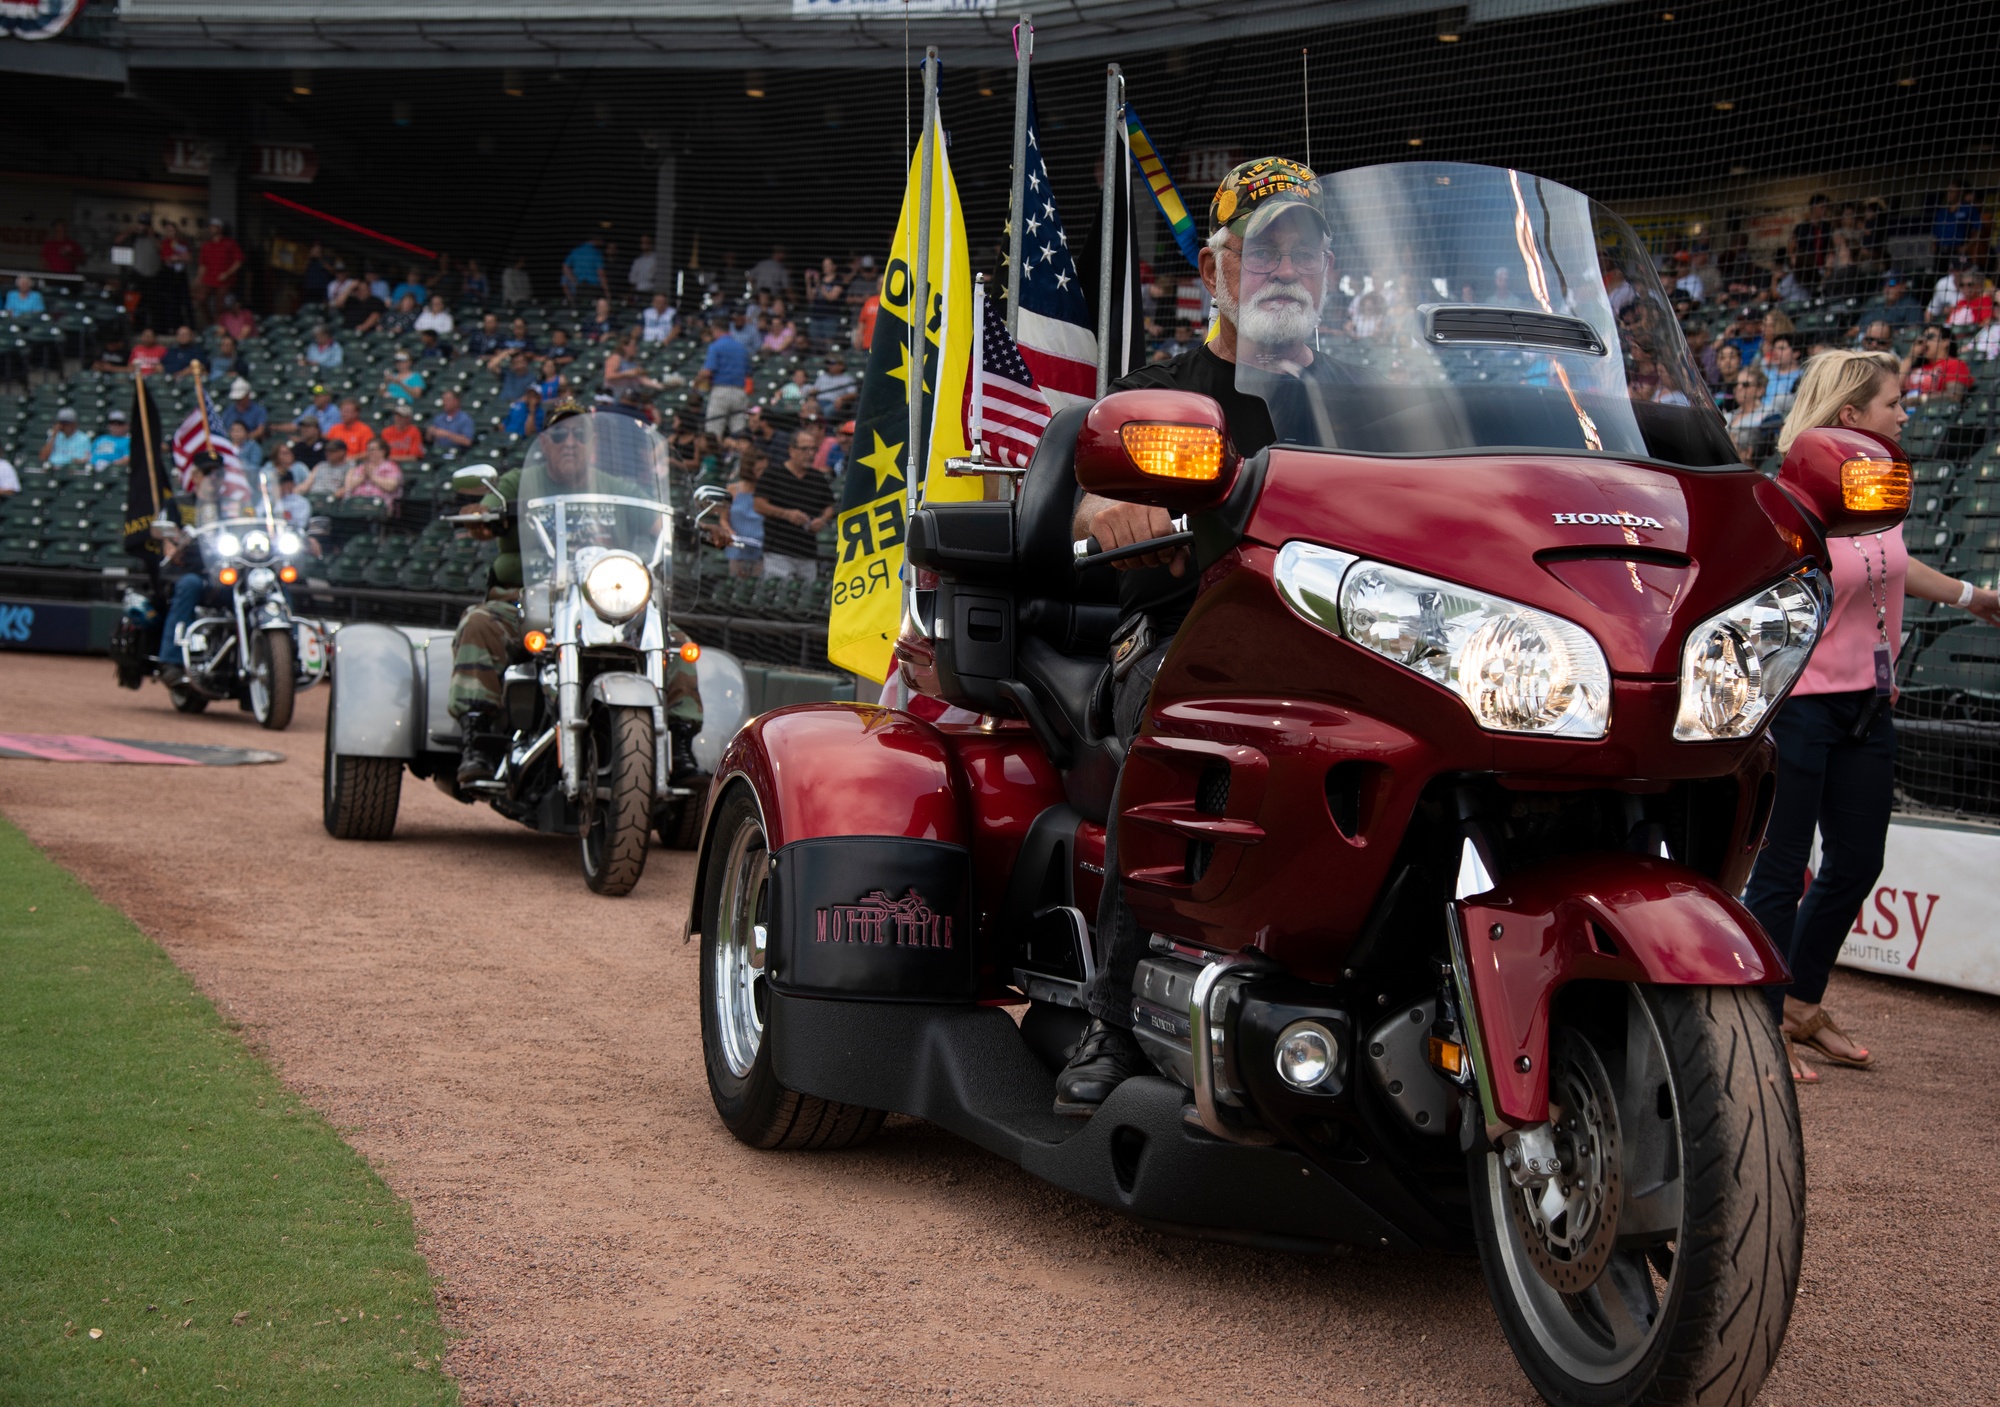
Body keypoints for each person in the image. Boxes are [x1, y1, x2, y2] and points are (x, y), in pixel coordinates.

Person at [1056, 155, 1363, 1115]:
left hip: (1346, 646)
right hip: (1179, 636)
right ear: (1217, 273)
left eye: (1302, 250)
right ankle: (1111, 1018)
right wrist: (1107, 508)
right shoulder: (1169, 386)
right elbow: (1088, 495)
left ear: (1327, 274)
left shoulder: (1366, 399)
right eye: (1262, 248)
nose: (1284, 267)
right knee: (1181, 720)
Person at [1744, 351, 2000, 1085]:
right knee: (1781, 869)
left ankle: (1800, 1002)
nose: (1904, 413)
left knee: (1857, 861)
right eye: (1893, 402)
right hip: (1799, 708)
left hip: (1867, 705)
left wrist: (1969, 596)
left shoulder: (1876, 489)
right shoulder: (1791, 495)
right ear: (1851, 415)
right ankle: (1759, 1024)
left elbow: (1892, 561)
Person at [448, 401, 704, 784]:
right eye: (559, 434)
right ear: (545, 444)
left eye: (580, 434)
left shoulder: (616, 487)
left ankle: (679, 747)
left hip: (603, 602)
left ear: (593, 442)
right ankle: (477, 739)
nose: (570, 441)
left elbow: (657, 526)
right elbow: (484, 516)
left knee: (675, 644)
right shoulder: (519, 481)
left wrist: (693, 529)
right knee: (479, 623)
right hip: (529, 599)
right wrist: (482, 518)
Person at [752, 426, 833, 581]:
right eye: (805, 449)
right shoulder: (773, 474)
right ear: (791, 450)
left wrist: (822, 520)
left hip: (807, 552)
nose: (810, 454)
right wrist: (786, 514)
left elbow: (829, 506)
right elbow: (758, 504)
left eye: (813, 449)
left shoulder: (818, 478)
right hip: (778, 551)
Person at [701, 325, 751, 436]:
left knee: (713, 431)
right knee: (739, 431)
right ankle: (738, 453)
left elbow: (708, 371)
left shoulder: (716, 346)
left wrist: (696, 380)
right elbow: (748, 373)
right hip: (739, 392)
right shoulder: (741, 347)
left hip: (721, 390)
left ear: (716, 330)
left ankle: (713, 453)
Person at [725, 447, 766, 577]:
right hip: (737, 549)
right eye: (758, 470)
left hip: (761, 551)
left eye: (765, 470)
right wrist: (729, 532)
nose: (762, 474)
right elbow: (723, 518)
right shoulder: (732, 489)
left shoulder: (767, 493)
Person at [1902, 326, 1973, 402]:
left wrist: (1921, 399)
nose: (1924, 341)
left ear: (1946, 342)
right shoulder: (1915, 366)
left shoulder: (1955, 364)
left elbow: (1955, 396)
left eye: (1930, 337)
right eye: (1923, 337)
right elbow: (1894, 388)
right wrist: (1911, 356)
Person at [195, 218, 243, 325]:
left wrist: (227, 274)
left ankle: (220, 325)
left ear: (220, 228)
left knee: (220, 304)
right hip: (209, 279)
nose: (211, 228)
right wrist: (198, 279)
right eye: (210, 226)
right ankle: (211, 323)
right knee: (201, 299)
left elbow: (238, 261)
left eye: (214, 226)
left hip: (224, 281)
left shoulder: (230, 243)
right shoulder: (206, 245)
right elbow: (203, 265)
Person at [339, 440, 403, 507]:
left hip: (378, 505)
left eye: (372, 450)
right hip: (356, 504)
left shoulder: (391, 467)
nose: (369, 452)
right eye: (368, 450)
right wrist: (363, 477)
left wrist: (372, 476)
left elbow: (391, 487)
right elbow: (348, 487)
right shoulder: (360, 467)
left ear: (383, 451)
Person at [427, 390, 476, 456]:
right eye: (443, 400)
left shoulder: (465, 419)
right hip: (439, 452)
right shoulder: (438, 418)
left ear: (456, 401)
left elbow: (467, 441)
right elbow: (429, 439)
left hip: (457, 454)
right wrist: (430, 432)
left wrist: (447, 434)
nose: (445, 403)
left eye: (448, 400)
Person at [561, 236, 608, 302]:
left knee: (582, 309)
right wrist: (607, 292)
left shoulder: (576, 251)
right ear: (596, 240)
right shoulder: (596, 253)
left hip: (580, 288)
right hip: (593, 289)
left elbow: (565, 266)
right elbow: (601, 274)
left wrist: (574, 281)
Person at [382, 401, 425, 465]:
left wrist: (391, 459)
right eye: (397, 415)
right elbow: (381, 455)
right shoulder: (386, 431)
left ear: (408, 418)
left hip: (407, 465)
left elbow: (414, 457)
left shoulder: (414, 431)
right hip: (388, 465)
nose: (399, 418)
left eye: (402, 416)